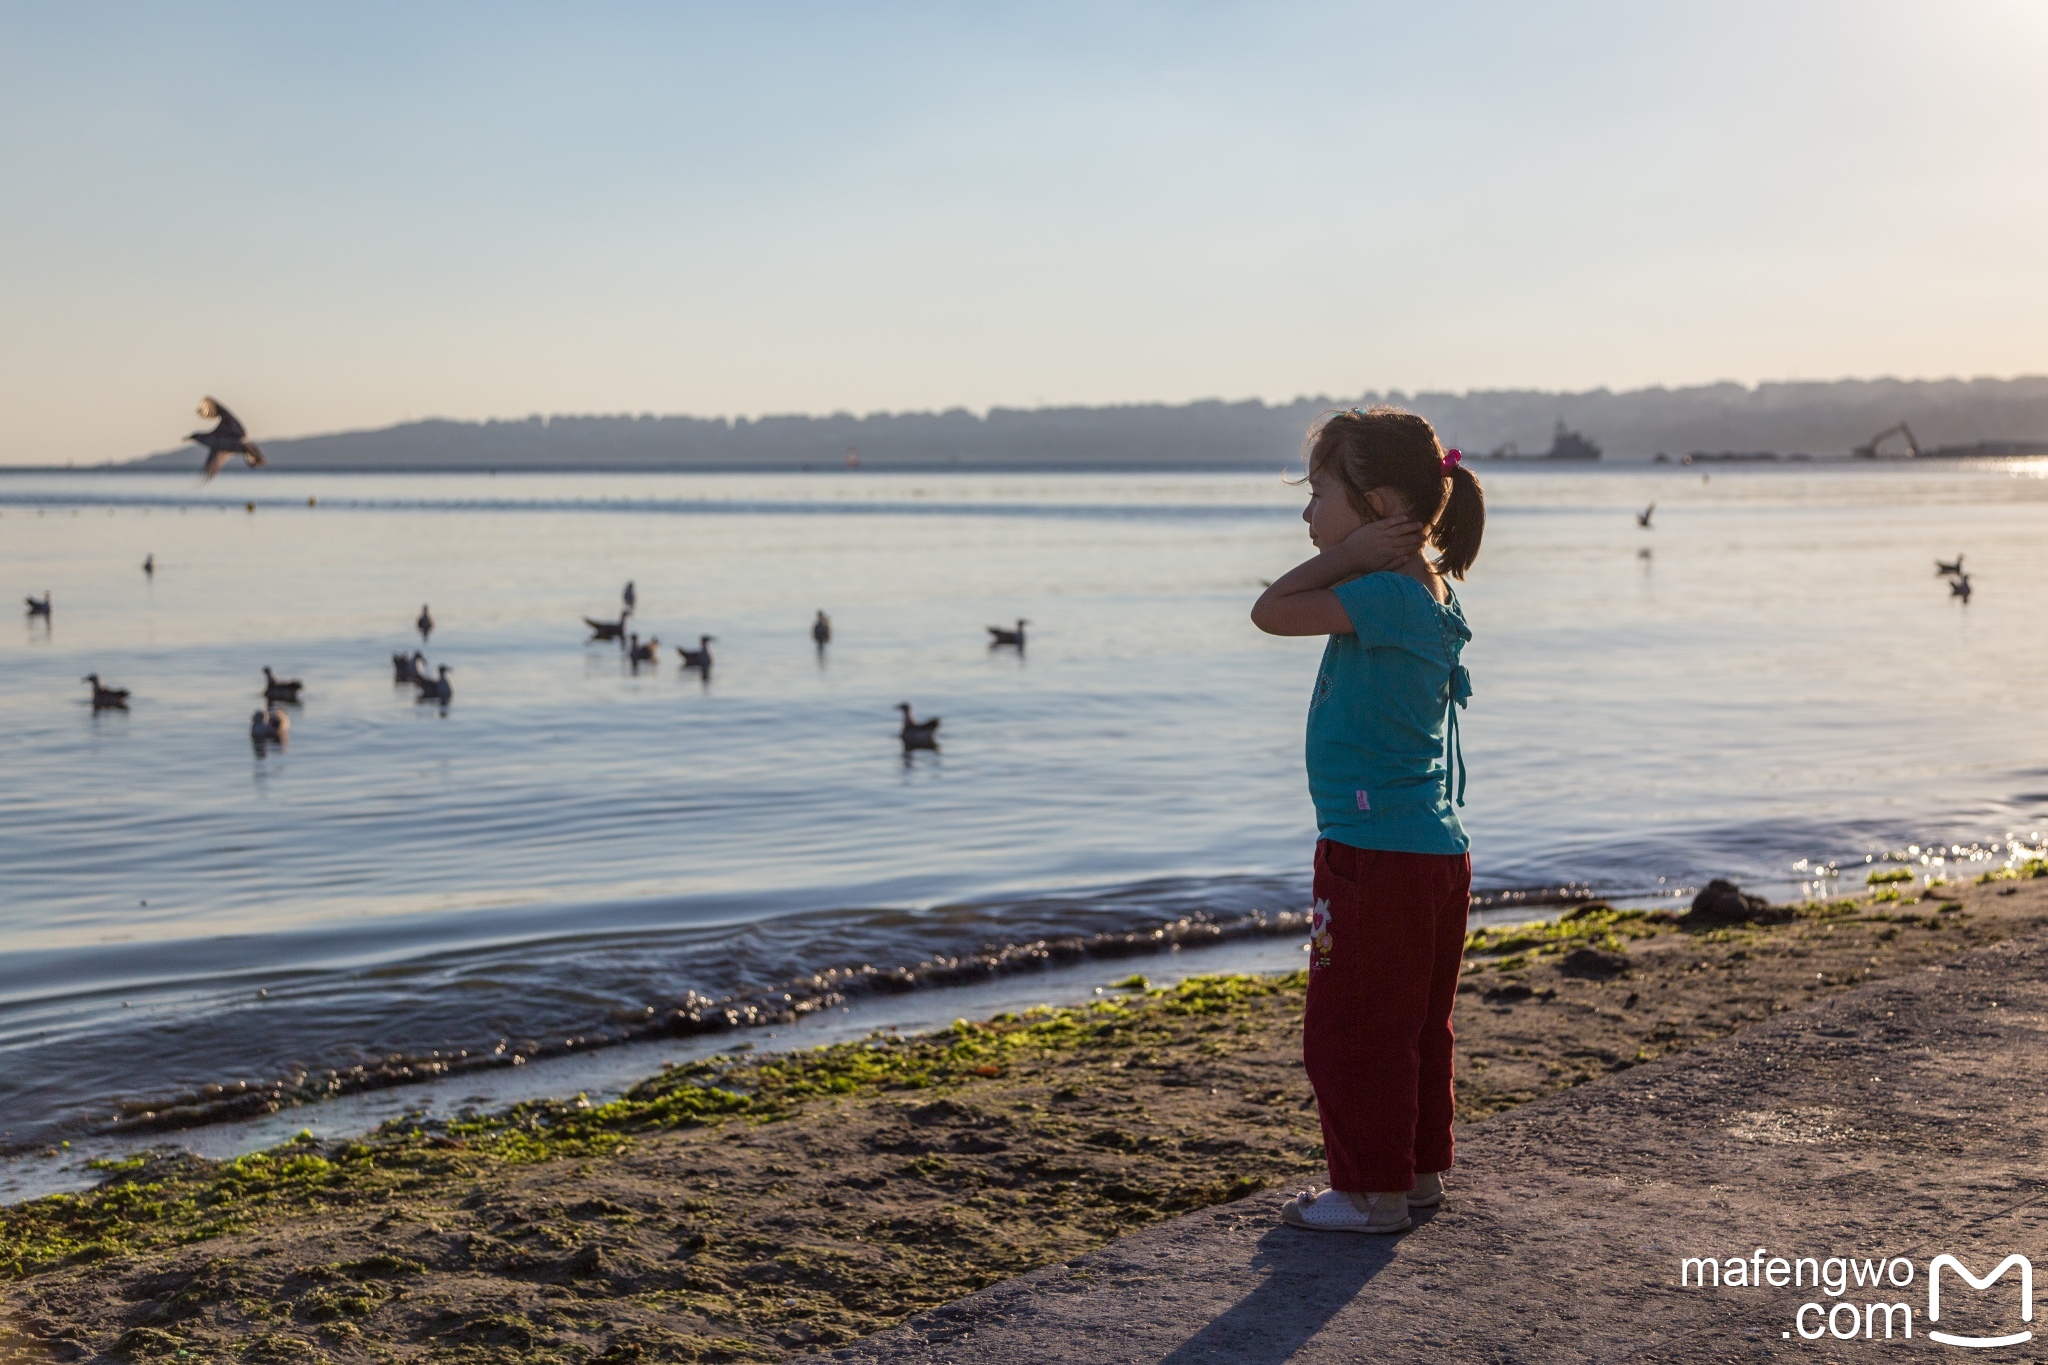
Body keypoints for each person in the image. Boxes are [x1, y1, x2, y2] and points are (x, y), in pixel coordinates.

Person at [1249, 405, 1485, 1235]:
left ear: (1379, 507)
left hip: (1371, 851)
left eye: (1319, 495)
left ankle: (1370, 1191)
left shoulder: (1381, 590)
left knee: (1350, 1025)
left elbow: (1270, 610)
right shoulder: (1427, 586)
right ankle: (1414, 1172)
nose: (1309, 515)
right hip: (1429, 849)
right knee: (1414, 1020)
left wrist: (1345, 557)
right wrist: (1354, 551)